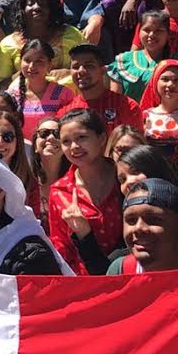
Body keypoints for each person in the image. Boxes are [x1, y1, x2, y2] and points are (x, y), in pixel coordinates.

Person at [47, 109, 122, 275]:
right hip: (84, 280)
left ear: (102, 139)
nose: (74, 147)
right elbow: (61, 248)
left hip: (132, 274)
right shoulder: (60, 191)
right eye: (66, 141)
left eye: (81, 137)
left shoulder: (125, 177)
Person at [0, 0, 87, 82]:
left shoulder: (72, 35)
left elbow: (89, 69)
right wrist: (25, 73)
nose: (37, 7)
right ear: (22, 9)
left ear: (52, 9)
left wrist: (69, 72)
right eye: (30, 4)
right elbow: (1, 85)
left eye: (43, 4)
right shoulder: (8, 44)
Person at [59, 44, 145, 138]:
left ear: (103, 70)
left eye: (89, 66)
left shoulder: (127, 106)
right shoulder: (66, 111)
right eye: (75, 66)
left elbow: (136, 144)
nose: (81, 71)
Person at [9, 38, 74, 138]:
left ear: (49, 64)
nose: (31, 66)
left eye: (39, 61)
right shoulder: (13, 93)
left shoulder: (63, 94)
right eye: (27, 60)